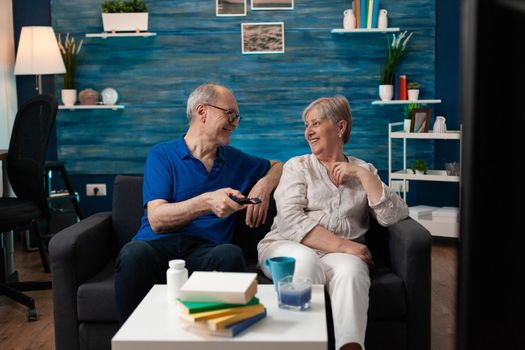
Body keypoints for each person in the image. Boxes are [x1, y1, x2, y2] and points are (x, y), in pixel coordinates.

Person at [115, 83, 283, 322]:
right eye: (230, 114)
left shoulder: (235, 159)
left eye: (237, 117)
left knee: (230, 253)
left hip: (206, 250)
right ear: (202, 111)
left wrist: (264, 185)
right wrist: (207, 202)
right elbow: (157, 220)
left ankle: (228, 336)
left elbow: (279, 166)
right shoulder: (162, 155)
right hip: (157, 247)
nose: (235, 122)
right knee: (133, 253)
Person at [257, 95, 408, 350]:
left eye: (315, 123)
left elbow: (393, 216)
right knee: (305, 262)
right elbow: (290, 221)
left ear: (340, 128)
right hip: (287, 245)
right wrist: (348, 246)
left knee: (352, 272)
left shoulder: (364, 169)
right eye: (306, 126)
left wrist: (362, 175)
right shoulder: (298, 166)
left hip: (335, 256)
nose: (308, 132)